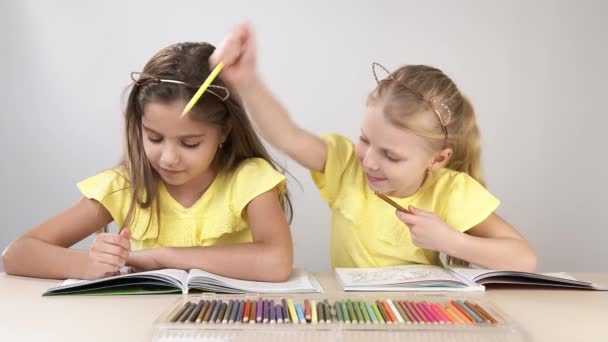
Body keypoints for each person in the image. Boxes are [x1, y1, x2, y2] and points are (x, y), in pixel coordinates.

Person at [210, 24, 537, 271]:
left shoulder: (450, 191)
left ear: (438, 158)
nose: (370, 161)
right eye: (366, 139)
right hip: (353, 317)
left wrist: (452, 242)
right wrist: (248, 83)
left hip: (418, 323)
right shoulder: (345, 165)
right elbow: (288, 136)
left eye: (392, 155)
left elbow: (523, 258)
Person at [3, 42, 294, 281]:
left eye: (190, 143)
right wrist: (86, 265)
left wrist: (164, 257)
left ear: (224, 131)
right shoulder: (124, 186)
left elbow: (277, 262)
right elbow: (17, 254)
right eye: (154, 138)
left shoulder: (251, 180)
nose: (168, 158)